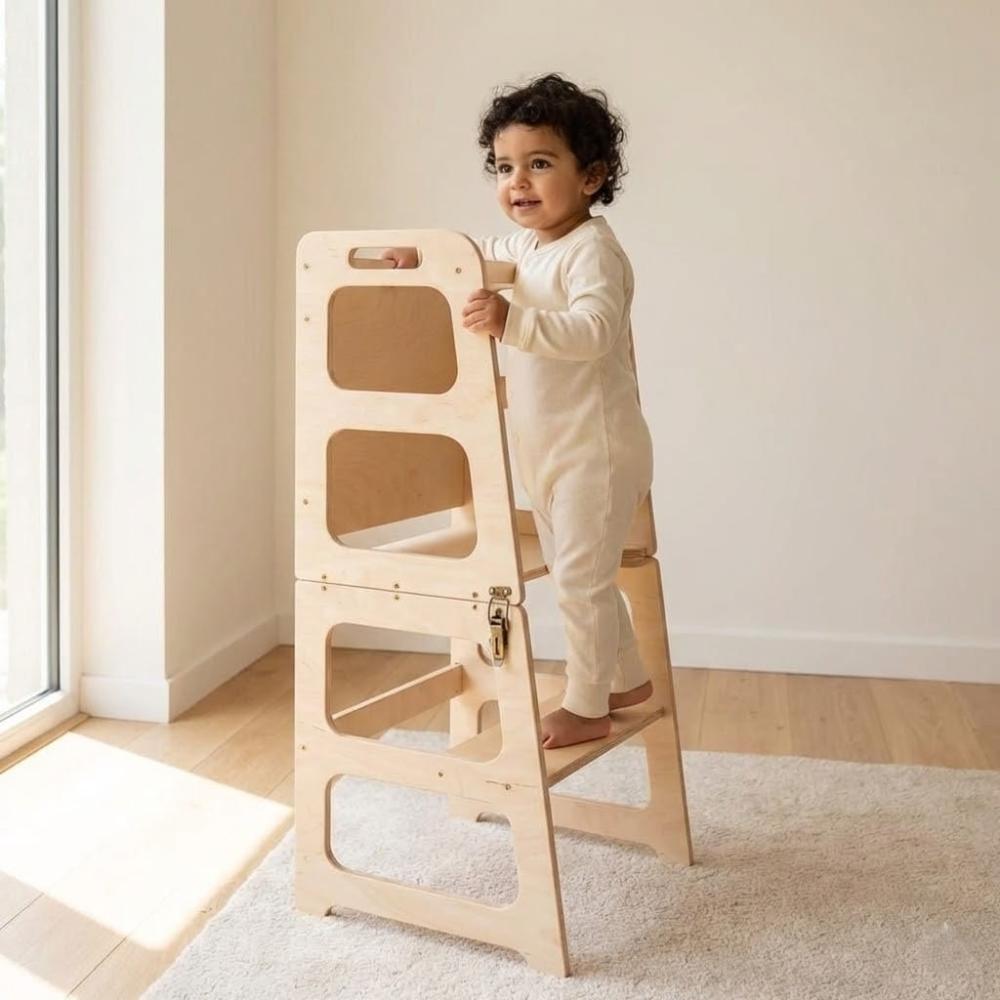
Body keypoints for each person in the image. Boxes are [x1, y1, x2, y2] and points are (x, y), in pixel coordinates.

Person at [382, 73, 653, 749]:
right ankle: (626, 678)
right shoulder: (527, 247)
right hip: (550, 448)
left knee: (582, 583)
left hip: (596, 450)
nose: (518, 182)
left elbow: (594, 330)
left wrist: (512, 321)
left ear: (591, 177)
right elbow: (474, 256)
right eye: (504, 167)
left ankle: (587, 704)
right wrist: (422, 258)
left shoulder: (592, 252)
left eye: (539, 163)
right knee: (576, 576)